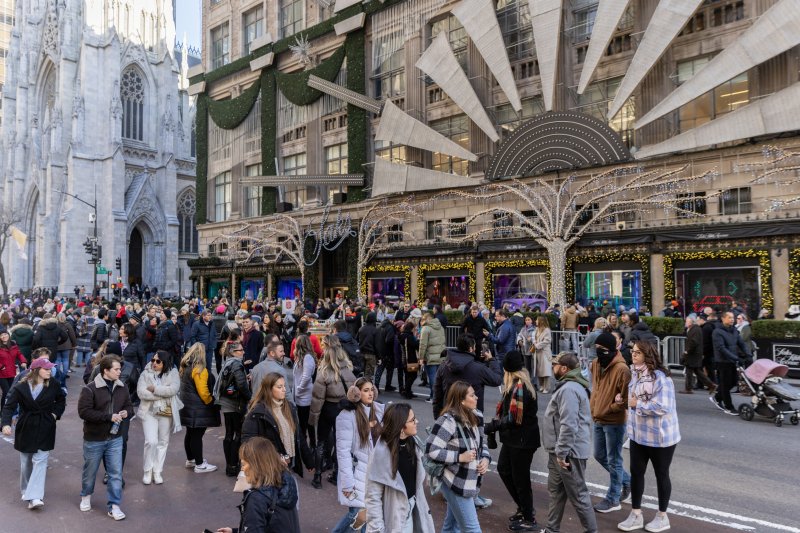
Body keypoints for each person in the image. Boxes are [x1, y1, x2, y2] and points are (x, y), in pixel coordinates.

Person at [617, 341, 681, 533]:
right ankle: (636, 514)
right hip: (638, 435)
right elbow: (633, 400)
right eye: (632, 352)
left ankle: (662, 516)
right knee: (636, 473)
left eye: (637, 352)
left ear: (647, 354)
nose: (633, 355)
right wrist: (625, 401)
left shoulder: (661, 378)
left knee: (661, 475)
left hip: (661, 437)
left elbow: (663, 406)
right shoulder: (635, 374)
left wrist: (636, 404)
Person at [540, 352, 597, 533]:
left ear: (564, 368)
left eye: (555, 365)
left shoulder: (569, 389)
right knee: (556, 493)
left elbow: (569, 423)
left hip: (567, 454)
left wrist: (562, 452)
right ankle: (551, 529)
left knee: (578, 495)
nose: (552, 368)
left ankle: (591, 531)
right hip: (560, 452)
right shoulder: (570, 386)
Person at [425, 381, 491, 533]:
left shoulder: (477, 416)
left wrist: (485, 460)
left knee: (452, 526)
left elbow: (483, 444)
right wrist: (460, 457)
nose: (476, 397)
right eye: (472, 395)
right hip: (455, 483)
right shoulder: (447, 422)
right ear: (461, 400)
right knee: (472, 529)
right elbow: (431, 450)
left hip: (470, 481)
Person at [0, 358, 66, 510]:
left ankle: (35, 496)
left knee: (41, 461)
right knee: (26, 462)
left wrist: (55, 415)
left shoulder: (54, 384)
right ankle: (26, 490)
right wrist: (5, 424)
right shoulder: (21, 386)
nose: (50, 371)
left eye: (50, 368)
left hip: (45, 425)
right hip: (26, 425)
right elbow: (8, 407)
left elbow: (61, 401)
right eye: (46, 369)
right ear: (36, 370)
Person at [77, 355, 134, 521]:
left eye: (119, 369)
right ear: (105, 371)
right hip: (94, 438)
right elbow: (84, 412)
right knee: (90, 471)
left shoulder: (122, 388)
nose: (119, 372)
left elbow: (129, 407)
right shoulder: (90, 389)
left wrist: (126, 413)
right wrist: (108, 417)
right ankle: (86, 496)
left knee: (115, 473)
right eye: (116, 369)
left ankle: (115, 506)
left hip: (115, 438)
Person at [365, 402, 436, 533]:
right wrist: (376, 528)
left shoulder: (413, 443)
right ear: (401, 426)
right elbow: (373, 495)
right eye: (412, 420)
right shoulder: (381, 453)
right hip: (396, 514)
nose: (417, 421)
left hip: (414, 506)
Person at [489, 351, 540, 531]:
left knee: (521, 479)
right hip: (515, 440)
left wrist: (494, 426)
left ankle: (529, 518)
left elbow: (513, 419)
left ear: (508, 371)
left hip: (522, 441)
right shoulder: (518, 385)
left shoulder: (520, 388)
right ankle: (524, 508)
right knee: (504, 469)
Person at [331, 377, 385, 533]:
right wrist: (348, 483)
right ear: (356, 393)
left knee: (365, 517)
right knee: (358, 516)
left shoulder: (379, 411)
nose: (370, 393)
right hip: (356, 475)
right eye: (365, 390)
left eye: (371, 390)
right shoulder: (347, 416)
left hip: (375, 475)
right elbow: (343, 452)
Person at [214, 437, 301, 533]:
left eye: (243, 464)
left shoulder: (256, 498)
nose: (242, 469)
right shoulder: (286, 482)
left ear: (256, 466)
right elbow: (274, 524)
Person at [589, 332, 632, 514]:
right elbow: (596, 388)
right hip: (598, 417)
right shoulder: (596, 364)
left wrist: (612, 407)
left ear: (612, 350)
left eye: (603, 350)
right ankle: (628, 481)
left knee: (614, 460)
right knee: (599, 455)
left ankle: (613, 498)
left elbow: (627, 398)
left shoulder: (622, 369)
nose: (599, 352)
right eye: (597, 349)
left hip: (614, 421)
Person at [241, 373, 314, 478]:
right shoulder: (258, 413)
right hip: (269, 466)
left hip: (289, 462)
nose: (284, 389)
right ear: (269, 389)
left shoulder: (289, 407)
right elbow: (248, 443)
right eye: (279, 387)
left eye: (284, 386)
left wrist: (308, 459)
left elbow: (298, 434)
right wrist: (276, 457)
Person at [309, 334, 358, 489]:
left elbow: (317, 398)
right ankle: (337, 475)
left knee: (321, 442)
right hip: (342, 409)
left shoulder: (323, 372)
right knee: (340, 443)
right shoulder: (349, 372)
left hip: (327, 409)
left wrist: (313, 418)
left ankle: (317, 476)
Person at [137, 349, 183, 485]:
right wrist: (162, 393)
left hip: (166, 412)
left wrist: (154, 389)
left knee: (163, 442)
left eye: (158, 361)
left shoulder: (173, 373)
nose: (154, 363)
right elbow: (141, 392)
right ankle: (147, 470)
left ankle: (157, 471)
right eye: (152, 360)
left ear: (165, 362)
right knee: (151, 441)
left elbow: (174, 390)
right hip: (149, 412)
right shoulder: (145, 373)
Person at [432, 333, 502, 419]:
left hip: (449, 416)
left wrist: (438, 418)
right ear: (471, 348)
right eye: (475, 346)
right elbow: (497, 380)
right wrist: (491, 360)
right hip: (472, 416)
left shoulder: (444, 366)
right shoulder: (479, 368)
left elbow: (437, 394)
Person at [179, 343, 220, 474]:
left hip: (187, 406)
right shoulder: (200, 369)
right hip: (198, 408)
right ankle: (200, 464)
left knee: (190, 434)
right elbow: (203, 391)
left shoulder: (185, 367)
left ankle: (191, 459)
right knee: (197, 436)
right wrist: (210, 402)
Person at [217, 342, 252, 476]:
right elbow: (242, 385)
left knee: (228, 433)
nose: (243, 352)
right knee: (237, 433)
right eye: (240, 350)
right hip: (235, 403)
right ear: (233, 352)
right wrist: (250, 397)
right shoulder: (237, 364)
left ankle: (229, 465)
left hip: (226, 402)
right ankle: (233, 464)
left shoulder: (228, 363)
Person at [711, 311, 751, 415]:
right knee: (725, 384)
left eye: (732, 317)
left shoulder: (734, 330)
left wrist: (748, 354)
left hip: (732, 361)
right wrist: (736, 358)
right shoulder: (717, 332)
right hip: (722, 361)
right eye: (729, 317)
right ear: (723, 319)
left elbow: (741, 343)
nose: (732, 319)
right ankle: (729, 407)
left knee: (733, 382)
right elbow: (721, 349)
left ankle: (717, 397)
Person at [292, 335, 317, 448]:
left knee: (306, 423)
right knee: (304, 422)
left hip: (305, 396)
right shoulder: (301, 357)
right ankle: (308, 445)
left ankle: (310, 445)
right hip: (300, 395)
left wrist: (299, 389)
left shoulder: (307, 358)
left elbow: (306, 376)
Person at [681, 316, 716, 395]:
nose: (686, 323)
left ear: (691, 322)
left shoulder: (696, 329)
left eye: (687, 321)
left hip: (693, 354)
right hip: (694, 354)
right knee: (696, 371)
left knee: (691, 370)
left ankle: (689, 388)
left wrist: (687, 351)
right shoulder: (693, 329)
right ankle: (711, 385)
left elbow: (694, 342)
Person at [419, 312, 446, 402]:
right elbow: (443, 341)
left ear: (427, 319)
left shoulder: (425, 329)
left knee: (432, 378)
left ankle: (433, 397)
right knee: (439, 378)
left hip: (430, 357)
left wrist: (421, 358)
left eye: (423, 318)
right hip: (440, 356)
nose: (422, 320)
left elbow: (423, 345)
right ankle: (439, 396)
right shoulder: (440, 327)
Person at [0, 330, 28, 406]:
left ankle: (9, 412)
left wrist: (23, 361)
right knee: (6, 392)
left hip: (11, 372)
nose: (4, 336)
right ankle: (2, 413)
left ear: (8, 335)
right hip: (1, 373)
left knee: (11, 392)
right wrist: (1, 366)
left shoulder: (14, 345)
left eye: (5, 334)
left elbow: (19, 354)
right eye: (1, 335)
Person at [398, 320, 419, 400]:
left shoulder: (402, 335)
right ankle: (407, 391)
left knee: (408, 375)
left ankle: (408, 392)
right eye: (414, 328)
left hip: (404, 359)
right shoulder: (409, 336)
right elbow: (415, 345)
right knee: (413, 375)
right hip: (411, 359)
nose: (415, 330)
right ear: (411, 328)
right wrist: (418, 339)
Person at [532, 316, 553, 393]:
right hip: (538, 352)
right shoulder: (537, 329)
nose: (536, 321)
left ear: (541, 321)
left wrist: (537, 345)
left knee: (546, 370)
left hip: (545, 352)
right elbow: (534, 338)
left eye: (537, 320)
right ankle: (541, 386)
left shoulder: (547, 330)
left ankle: (546, 387)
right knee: (539, 370)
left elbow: (547, 341)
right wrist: (534, 343)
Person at [357, 312, 381, 382]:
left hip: (361, 353)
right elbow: (377, 345)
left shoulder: (361, 329)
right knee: (369, 375)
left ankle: (360, 388)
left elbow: (356, 340)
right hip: (371, 354)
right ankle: (367, 389)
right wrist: (379, 357)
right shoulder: (375, 330)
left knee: (361, 373)